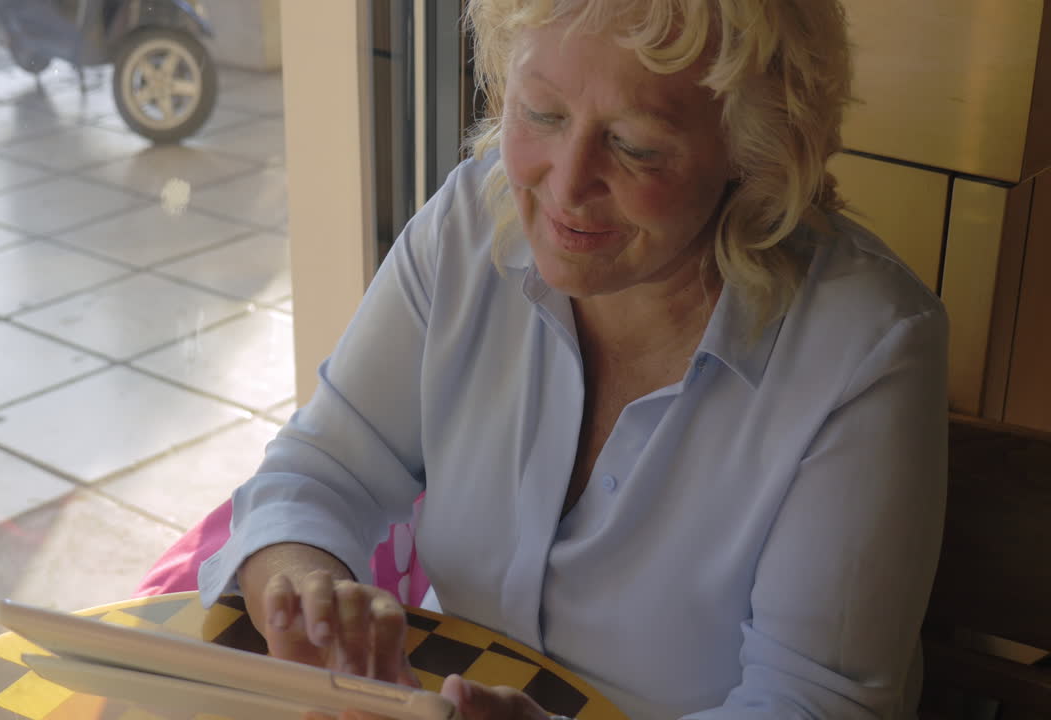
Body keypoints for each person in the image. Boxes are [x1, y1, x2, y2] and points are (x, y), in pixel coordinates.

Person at [197, 0, 948, 718]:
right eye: (542, 114)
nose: (565, 182)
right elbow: (322, 469)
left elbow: (813, 705)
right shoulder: (469, 225)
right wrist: (302, 577)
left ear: (750, 154)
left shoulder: (867, 350)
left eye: (636, 145)